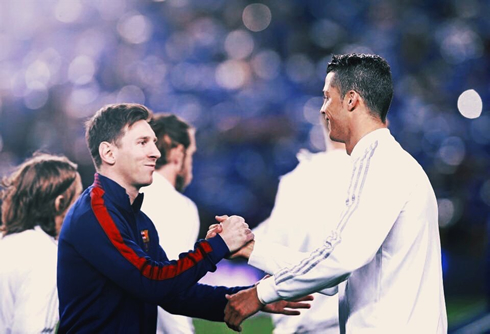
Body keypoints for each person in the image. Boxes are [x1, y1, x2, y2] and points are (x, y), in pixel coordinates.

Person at [218, 53, 447, 333]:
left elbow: (341, 257)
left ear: (351, 100)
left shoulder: (379, 164)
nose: (324, 109)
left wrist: (260, 293)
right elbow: (338, 273)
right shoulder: (387, 161)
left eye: (327, 97)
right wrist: (252, 250)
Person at [57, 103, 311, 333]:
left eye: (154, 142)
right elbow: (151, 282)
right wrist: (219, 245)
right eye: (142, 142)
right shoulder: (95, 213)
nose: (155, 152)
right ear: (108, 153)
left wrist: (251, 296)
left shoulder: (138, 219)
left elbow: (174, 295)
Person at [250, 119, 351, 333]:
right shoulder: (376, 176)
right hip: (346, 324)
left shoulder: (293, 180)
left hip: (295, 322)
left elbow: (268, 253)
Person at [0, 153, 82, 334]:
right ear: (59, 203)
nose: (80, 209)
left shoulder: (6, 242)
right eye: (76, 200)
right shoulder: (45, 257)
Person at [141, 114, 200, 334]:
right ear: (177, 153)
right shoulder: (179, 206)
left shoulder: (120, 196)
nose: (190, 163)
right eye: (191, 155)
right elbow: (169, 286)